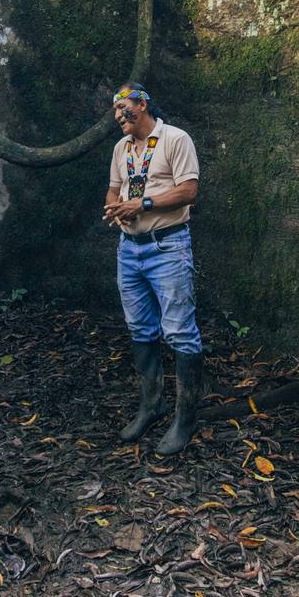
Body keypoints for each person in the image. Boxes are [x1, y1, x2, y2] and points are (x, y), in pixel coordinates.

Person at [103, 83, 202, 455]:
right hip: (130, 249)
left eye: (123, 109)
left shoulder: (176, 139)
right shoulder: (121, 149)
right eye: (115, 112)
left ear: (142, 105)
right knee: (140, 328)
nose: (118, 117)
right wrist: (115, 206)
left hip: (168, 247)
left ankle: (184, 418)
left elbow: (188, 191)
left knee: (179, 331)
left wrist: (141, 204)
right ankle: (151, 405)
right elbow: (114, 190)